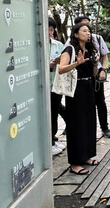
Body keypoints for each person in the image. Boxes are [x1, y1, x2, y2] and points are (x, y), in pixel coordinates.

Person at [58, 23, 99, 175]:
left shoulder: (90, 50)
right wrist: (77, 63)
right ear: (75, 34)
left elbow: (94, 73)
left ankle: (86, 155)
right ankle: (75, 163)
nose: (88, 34)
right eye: (84, 31)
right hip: (75, 90)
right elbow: (61, 69)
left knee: (89, 122)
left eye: (89, 31)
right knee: (76, 125)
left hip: (88, 87)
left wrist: (95, 63)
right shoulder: (70, 49)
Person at [69, 16, 110, 138]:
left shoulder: (97, 39)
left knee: (100, 102)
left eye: (88, 27)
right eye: (84, 28)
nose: (88, 31)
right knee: (81, 105)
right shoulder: (70, 43)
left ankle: (104, 127)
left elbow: (105, 56)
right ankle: (75, 128)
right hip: (79, 76)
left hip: (95, 74)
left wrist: (102, 69)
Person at [49, 18, 66, 155]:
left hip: (55, 86)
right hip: (41, 88)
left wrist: (59, 61)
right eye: (47, 29)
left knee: (54, 113)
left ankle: (53, 139)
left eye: (51, 29)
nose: (49, 32)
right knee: (45, 115)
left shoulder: (58, 45)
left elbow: (65, 63)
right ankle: (48, 142)